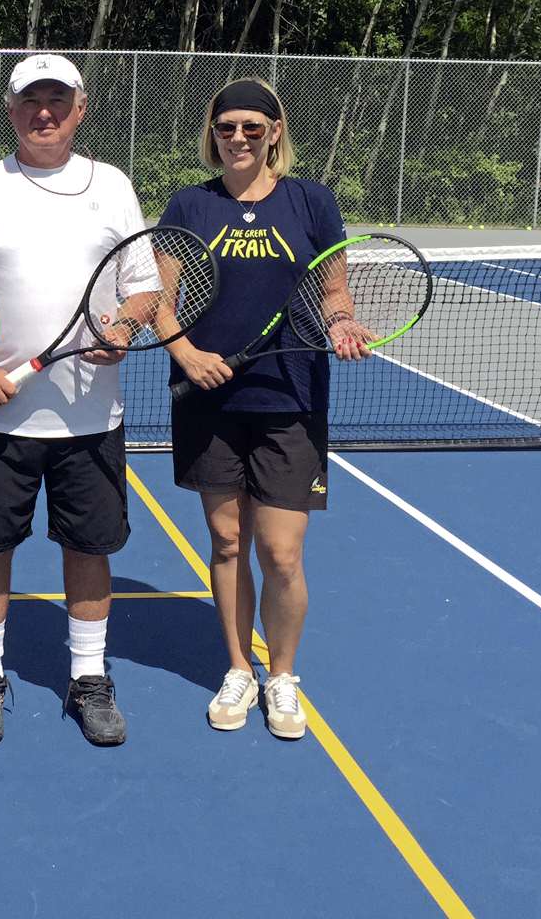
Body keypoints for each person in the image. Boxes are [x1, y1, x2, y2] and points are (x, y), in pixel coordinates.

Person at [0, 52, 148, 747]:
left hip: (90, 418)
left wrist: (126, 327)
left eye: (57, 99)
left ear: (81, 108)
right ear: (11, 108)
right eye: (30, 100)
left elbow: (142, 286)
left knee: (88, 547)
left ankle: (87, 677)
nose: (43, 112)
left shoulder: (112, 187)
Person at [159, 78, 371, 739]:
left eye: (254, 126)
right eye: (228, 127)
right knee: (226, 541)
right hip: (208, 398)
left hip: (289, 397)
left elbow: (334, 291)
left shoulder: (311, 202)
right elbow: (157, 298)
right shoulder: (189, 205)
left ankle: (281, 676)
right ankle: (238, 669)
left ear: (276, 130)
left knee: (280, 553)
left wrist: (342, 325)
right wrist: (187, 353)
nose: (240, 138)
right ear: (213, 134)